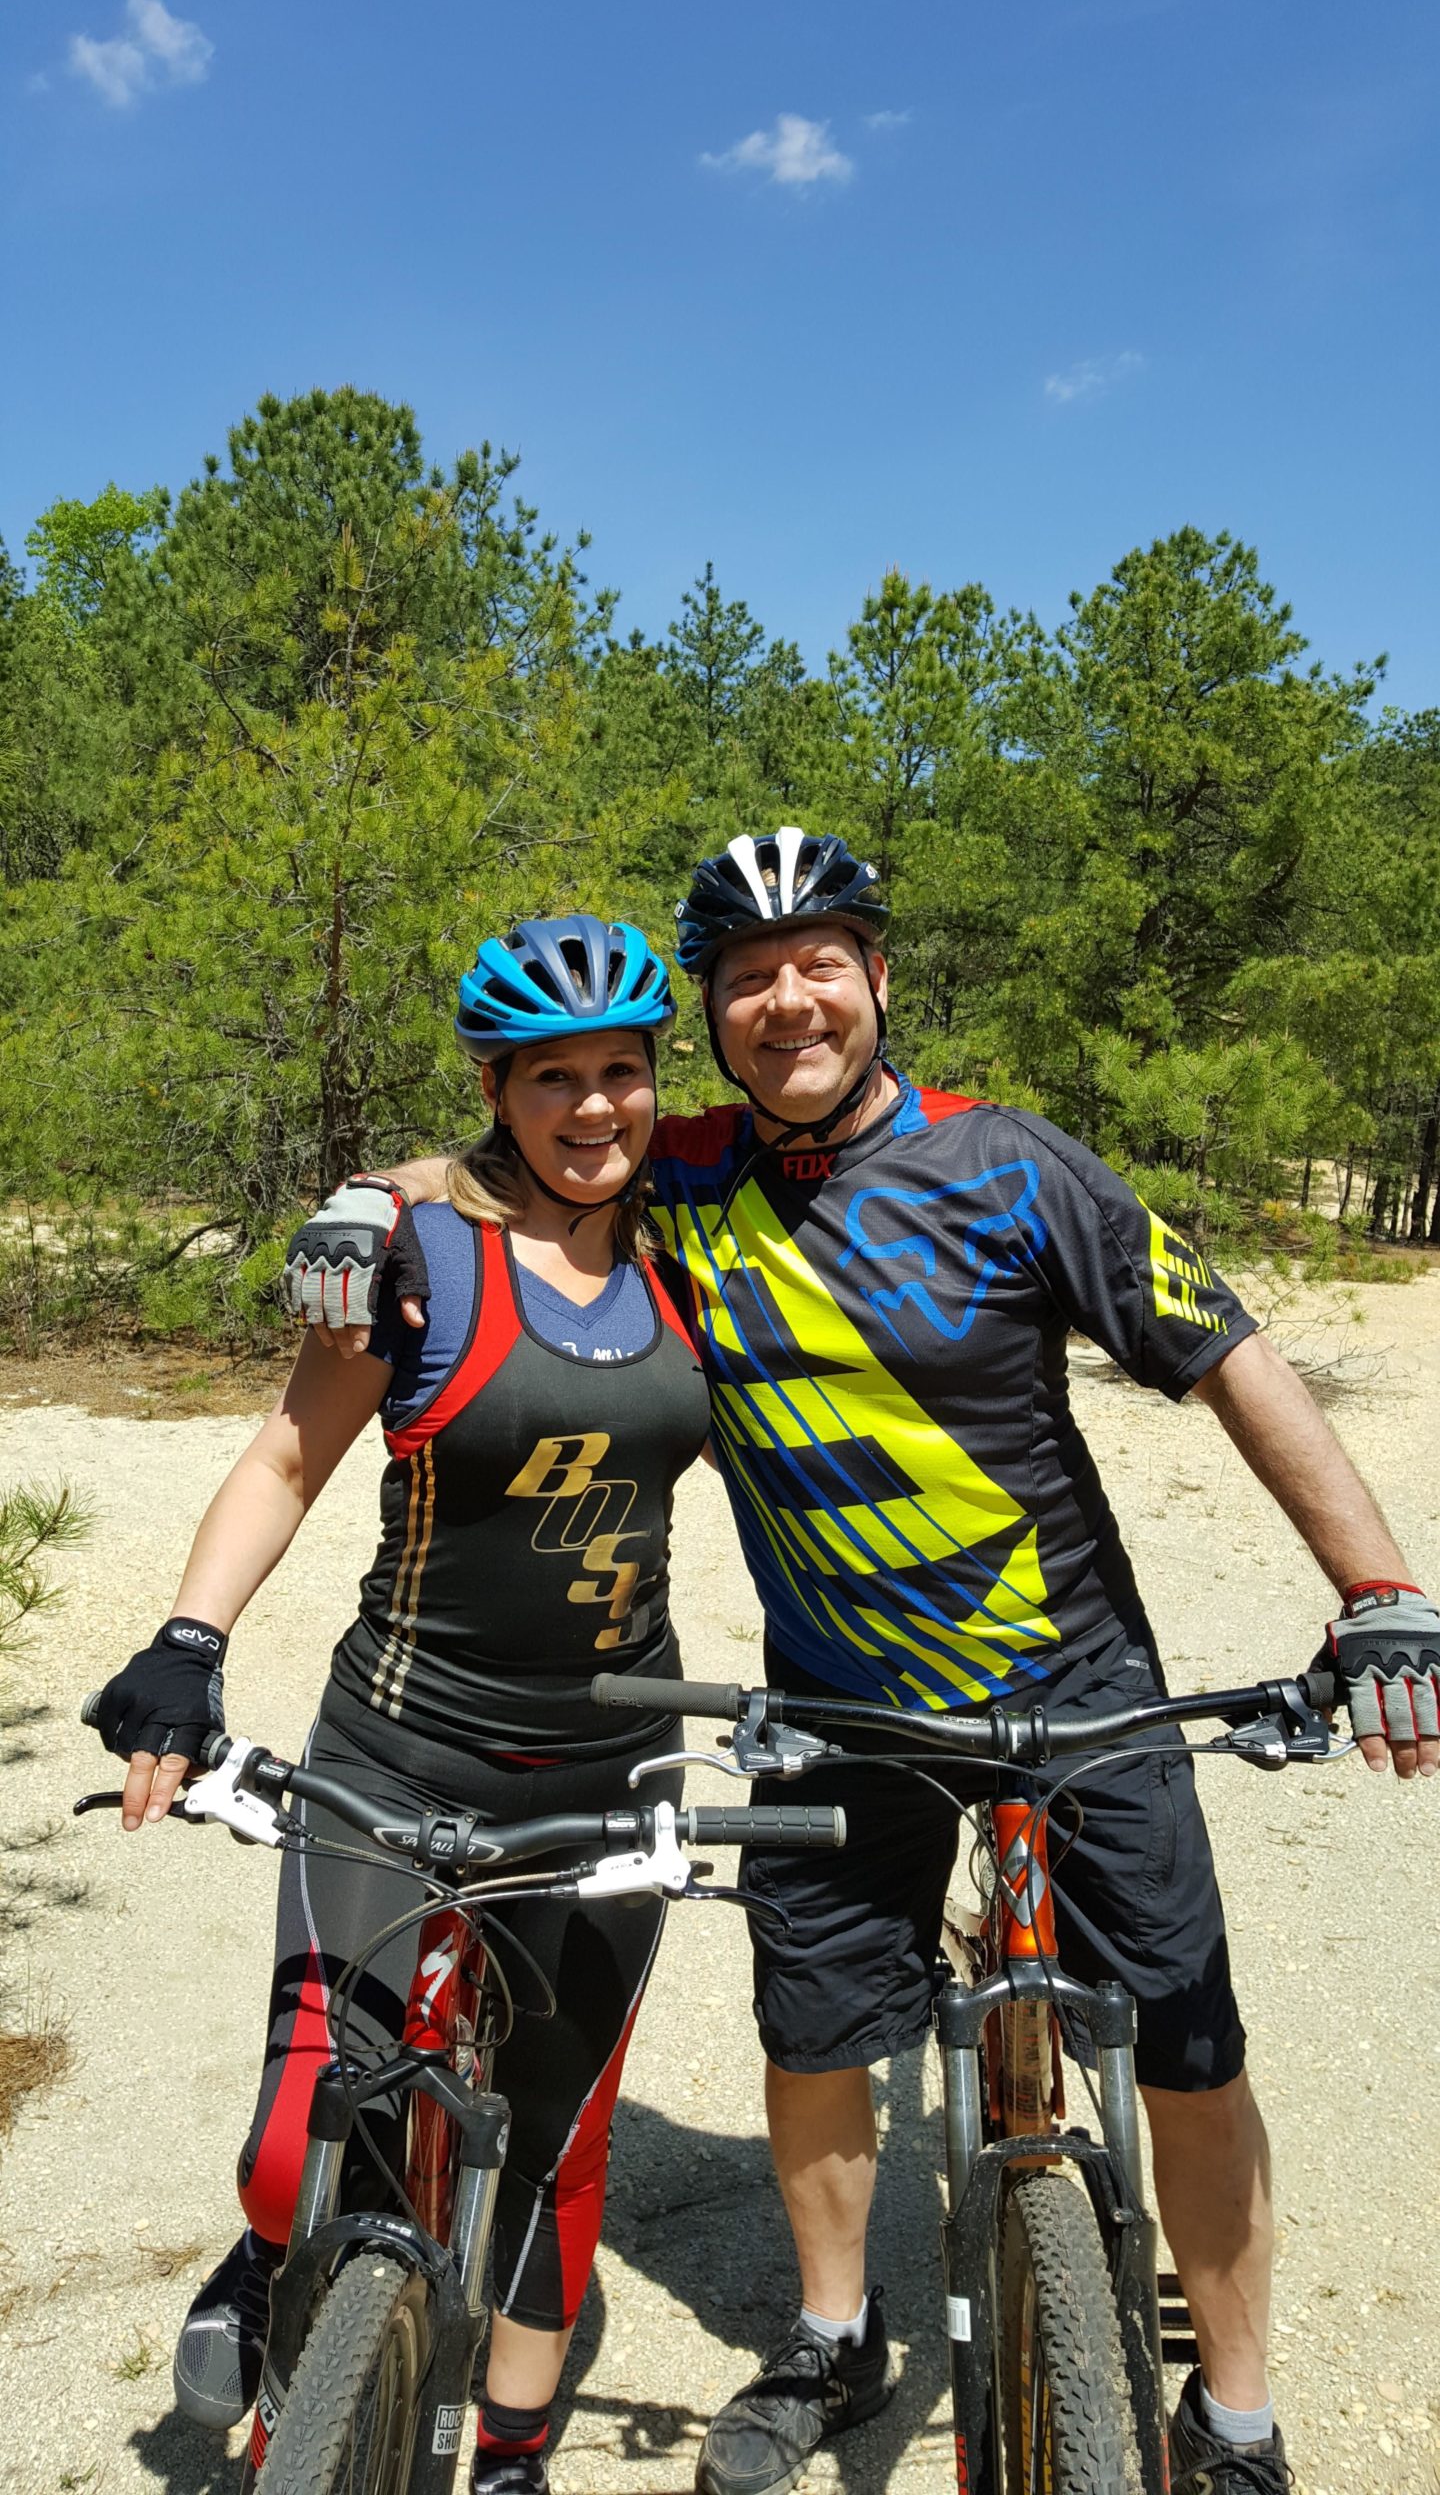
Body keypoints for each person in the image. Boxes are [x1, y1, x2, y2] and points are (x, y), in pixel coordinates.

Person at [283, 830, 1440, 2495]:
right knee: (817, 2035)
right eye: (747, 973)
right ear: (715, 1008)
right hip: (839, 1703)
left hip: (1077, 1681)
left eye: (820, 958)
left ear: (879, 979)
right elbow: (521, 1149)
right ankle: (835, 2337)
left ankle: (1236, 2416)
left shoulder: (1014, 1166)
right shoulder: (681, 1172)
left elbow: (1233, 1362)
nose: (786, 998)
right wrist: (356, 1196)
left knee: (1192, 2050)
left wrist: (1380, 1584)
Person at [92, 915, 711, 2495]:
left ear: (658, 1082)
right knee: (307, 2136)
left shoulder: (699, 1237)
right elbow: (290, 1455)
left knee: (563, 2142)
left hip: (611, 1764)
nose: (593, 1110)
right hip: (402, 1741)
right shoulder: (419, 1252)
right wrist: (187, 1641)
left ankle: (507, 2452)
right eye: (552, 1078)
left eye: (623, 1073)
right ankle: (272, 2261)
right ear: (497, 1094)